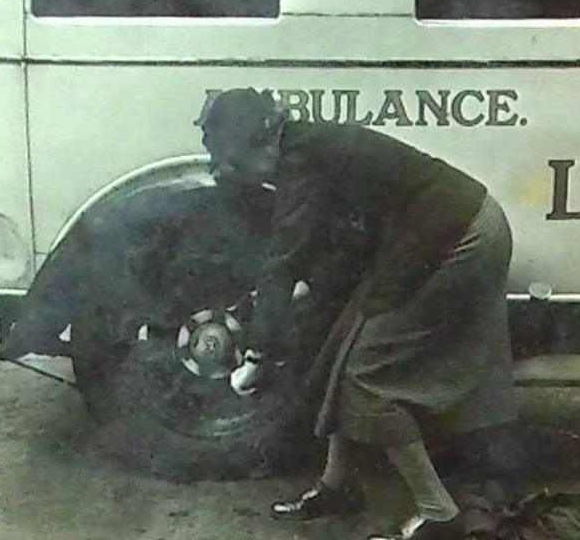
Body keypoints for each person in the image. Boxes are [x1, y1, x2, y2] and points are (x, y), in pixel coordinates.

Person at [197, 88, 517, 540]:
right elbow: (337, 249)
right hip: (436, 233)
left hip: (461, 238)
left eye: (237, 162)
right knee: (341, 349)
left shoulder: (303, 160)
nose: (239, 174)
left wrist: (255, 354)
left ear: (263, 143)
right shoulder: (303, 148)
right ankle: (337, 485)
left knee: (367, 375)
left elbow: (282, 260)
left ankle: (437, 511)